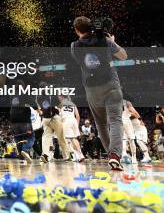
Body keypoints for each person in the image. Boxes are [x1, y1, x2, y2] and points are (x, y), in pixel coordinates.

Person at [71, 16, 128, 171]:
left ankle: (111, 154)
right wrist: (112, 40)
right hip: (111, 85)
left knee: (101, 124)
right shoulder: (105, 40)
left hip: (92, 89)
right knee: (116, 121)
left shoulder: (74, 46)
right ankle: (115, 156)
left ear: (77, 30)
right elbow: (123, 56)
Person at [58, 95, 85, 162]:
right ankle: (80, 154)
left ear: (62, 96)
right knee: (74, 139)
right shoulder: (72, 104)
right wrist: (77, 125)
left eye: (59, 96)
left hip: (66, 121)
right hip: (74, 121)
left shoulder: (60, 105)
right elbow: (78, 116)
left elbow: (59, 117)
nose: (58, 98)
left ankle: (77, 156)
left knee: (69, 140)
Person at [121, 99, 138, 164]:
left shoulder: (114, 100)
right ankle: (134, 158)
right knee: (131, 139)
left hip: (119, 121)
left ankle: (124, 154)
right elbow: (135, 113)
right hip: (126, 121)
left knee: (123, 139)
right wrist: (139, 119)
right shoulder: (127, 102)